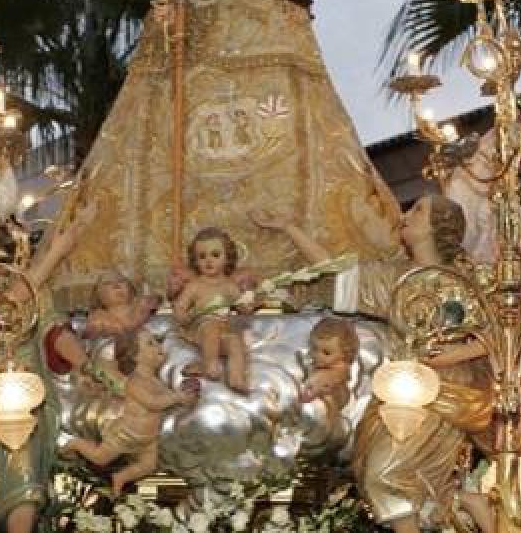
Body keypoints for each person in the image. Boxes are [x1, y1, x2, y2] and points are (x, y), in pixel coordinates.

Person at [46, 0, 402, 304]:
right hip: (195, 69)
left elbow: (267, 11)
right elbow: (177, 26)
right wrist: (171, 7)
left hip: (253, 65)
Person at [264, 195, 495, 533]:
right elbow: (338, 273)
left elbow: (491, 338)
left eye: (418, 210)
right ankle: (467, 503)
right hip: (404, 386)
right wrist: (290, 228)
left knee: (384, 475)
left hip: (444, 387)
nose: (406, 214)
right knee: (396, 478)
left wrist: (445, 357)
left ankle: (469, 504)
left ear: (438, 226)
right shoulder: (393, 277)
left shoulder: (461, 281)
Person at [0, 204, 98, 533]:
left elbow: (52, 329)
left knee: (24, 471)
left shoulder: (28, 283)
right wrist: (59, 249)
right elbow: (5, 311)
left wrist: (86, 365)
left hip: (23, 386)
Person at [62, 329, 199, 495]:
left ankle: (121, 477)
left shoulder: (155, 382)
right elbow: (152, 403)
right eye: (150, 344)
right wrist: (177, 397)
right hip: (126, 434)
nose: (158, 346)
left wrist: (184, 398)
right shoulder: (134, 382)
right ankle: (75, 444)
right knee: (100, 458)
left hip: (148, 439)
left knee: (149, 466)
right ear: (136, 357)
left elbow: (167, 401)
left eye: (156, 341)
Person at [171, 227, 253, 392]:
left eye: (215, 255)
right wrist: (182, 316)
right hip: (201, 328)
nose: (208, 261)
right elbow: (180, 306)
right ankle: (210, 364)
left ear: (227, 258)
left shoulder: (229, 286)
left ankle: (236, 377)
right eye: (202, 256)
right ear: (195, 261)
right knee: (211, 326)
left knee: (235, 342)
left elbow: (243, 308)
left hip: (224, 330)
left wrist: (248, 300)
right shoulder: (195, 285)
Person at [300, 317, 359, 414]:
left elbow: (319, 383)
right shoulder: (324, 366)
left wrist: (302, 398)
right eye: (314, 349)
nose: (317, 356)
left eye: (326, 353)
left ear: (344, 353)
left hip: (334, 409)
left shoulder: (337, 370)